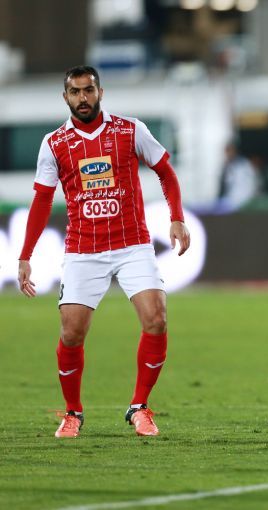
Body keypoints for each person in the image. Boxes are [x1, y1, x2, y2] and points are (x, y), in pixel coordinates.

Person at [17, 65, 190, 437]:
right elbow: (42, 200)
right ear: (65, 97)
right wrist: (25, 255)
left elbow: (166, 172)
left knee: (157, 318)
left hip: (132, 244)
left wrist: (177, 218)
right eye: (75, 92)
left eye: (89, 90)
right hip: (84, 249)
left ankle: (140, 407)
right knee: (71, 333)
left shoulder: (130, 130)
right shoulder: (54, 143)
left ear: (100, 92)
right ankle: (73, 413)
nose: (83, 98)